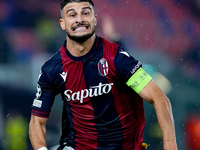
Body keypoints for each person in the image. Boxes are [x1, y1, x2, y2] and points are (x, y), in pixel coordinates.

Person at [29, 0, 178, 150]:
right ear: (62, 23)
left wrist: (170, 145)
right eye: (72, 15)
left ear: (94, 19)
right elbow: (37, 121)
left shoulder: (117, 58)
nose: (79, 19)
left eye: (85, 13)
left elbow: (159, 98)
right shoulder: (51, 69)